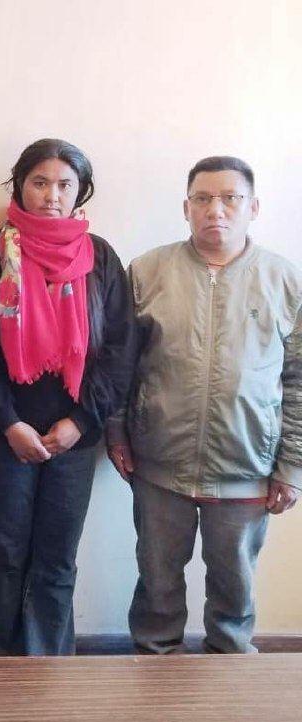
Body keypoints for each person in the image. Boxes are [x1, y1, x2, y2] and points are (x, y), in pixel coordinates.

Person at [107, 155, 302, 654]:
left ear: (253, 207)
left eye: (230, 198)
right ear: (186, 207)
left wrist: (292, 467)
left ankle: (229, 675)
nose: (216, 209)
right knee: (156, 586)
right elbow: (121, 362)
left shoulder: (285, 281)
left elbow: (298, 381)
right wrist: (116, 430)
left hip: (247, 467)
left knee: (234, 592)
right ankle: (155, 670)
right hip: (159, 464)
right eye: (203, 198)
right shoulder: (146, 272)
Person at [0, 138, 135, 656]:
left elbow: (120, 351)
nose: (52, 195)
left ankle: (50, 668)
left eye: (64, 185)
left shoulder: (100, 258)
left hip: (75, 436)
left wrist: (80, 422)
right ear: (19, 186)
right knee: (5, 553)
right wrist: (10, 424)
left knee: (56, 557)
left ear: (81, 192)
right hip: (3, 433)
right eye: (40, 182)